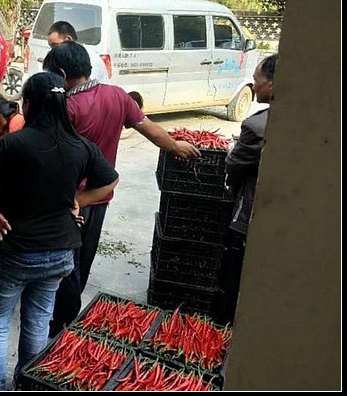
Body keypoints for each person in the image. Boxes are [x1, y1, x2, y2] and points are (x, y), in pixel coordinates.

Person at [0, 72, 119, 391]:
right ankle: (28, 384)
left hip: (14, 250)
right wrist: (78, 200)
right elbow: (110, 180)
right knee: (38, 319)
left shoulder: (9, 145)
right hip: (60, 253)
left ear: (28, 104)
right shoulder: (80, 146)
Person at [43, 41, 201, 334]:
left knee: (64, 261)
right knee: (84, 258)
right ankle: (68, 315)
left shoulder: (67, 106)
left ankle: (59, 322)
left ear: (61, 74)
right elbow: (149, 128)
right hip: (101, 195)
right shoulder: (117, 95)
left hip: (71, 199)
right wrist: (175, 146)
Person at [216, 53, 278, 325]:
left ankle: (225, 326)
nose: (254, 85)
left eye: (256, 78)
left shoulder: (257, 125)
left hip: (250, 212)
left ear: (273, 83)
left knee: (235, 275)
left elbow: (234, 166)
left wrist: (233, 150)